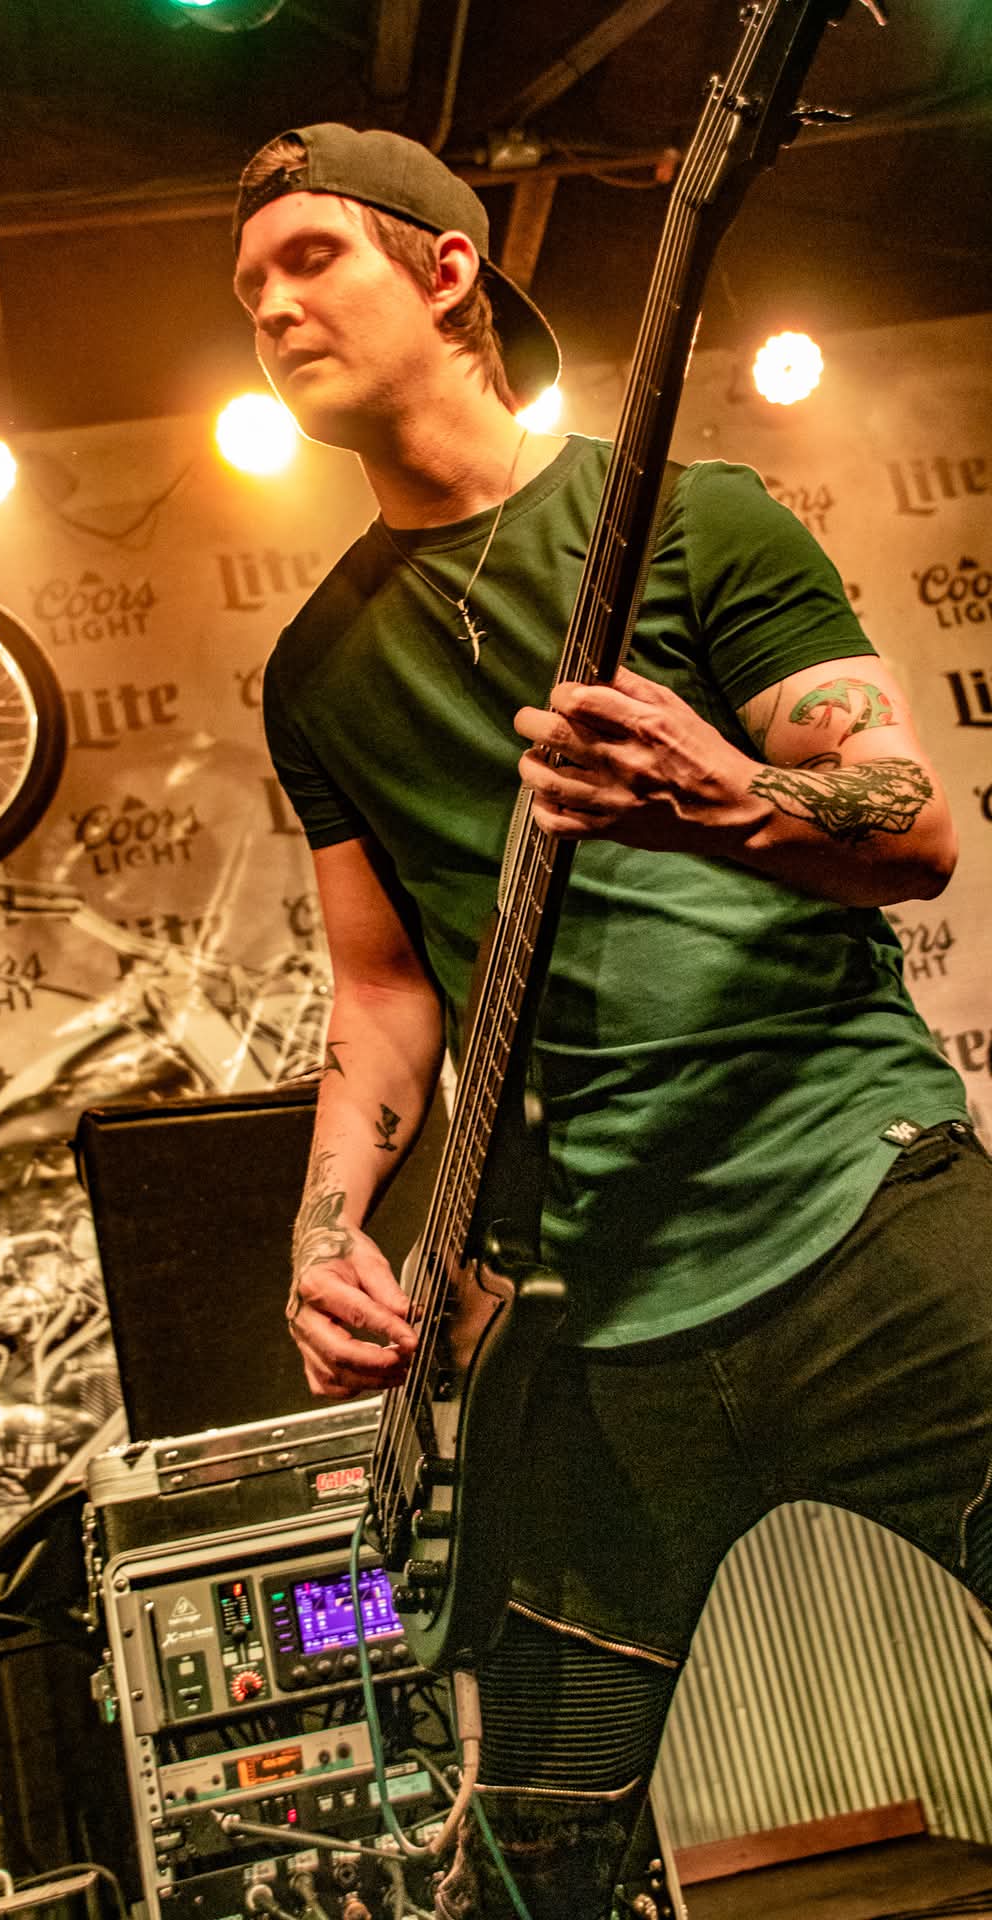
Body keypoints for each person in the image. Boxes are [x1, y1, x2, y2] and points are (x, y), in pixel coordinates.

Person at [233, 123, 992, 1918]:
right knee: (530, 1844)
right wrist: (326, 1225)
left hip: (858, 1208)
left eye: (310, 260)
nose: (269, 308)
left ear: (446, 271)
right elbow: (383, 983)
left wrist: (725, 799)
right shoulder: (318, 667)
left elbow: (917, 821)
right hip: (596, 1302)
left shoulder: (695, 519)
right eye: (246, 288)